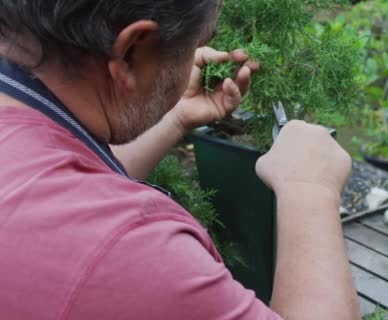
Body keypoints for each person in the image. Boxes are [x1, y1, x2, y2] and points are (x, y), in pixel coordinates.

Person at [0, 1, 359, 319]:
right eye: (196, 44)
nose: (194, 58)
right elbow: (102, 240)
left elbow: (71, 184)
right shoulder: (134, 253)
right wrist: (309, 192)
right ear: (130, 52)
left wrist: (174, 116)